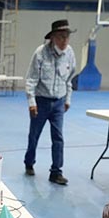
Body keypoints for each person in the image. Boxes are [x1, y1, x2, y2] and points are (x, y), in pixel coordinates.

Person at [24, 19, 77, 186]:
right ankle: (29, 162)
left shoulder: (70, 53)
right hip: (41, 102)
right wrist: (31, 102)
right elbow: (31, 79)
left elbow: (69, 79)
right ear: (52, 37)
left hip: (59, 102)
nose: (64, 41)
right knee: (34, 135)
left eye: (67, 37)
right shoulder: (41, 53)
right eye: (61, 37)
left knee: (58, 138)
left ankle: (56, 172)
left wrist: (67, 99)